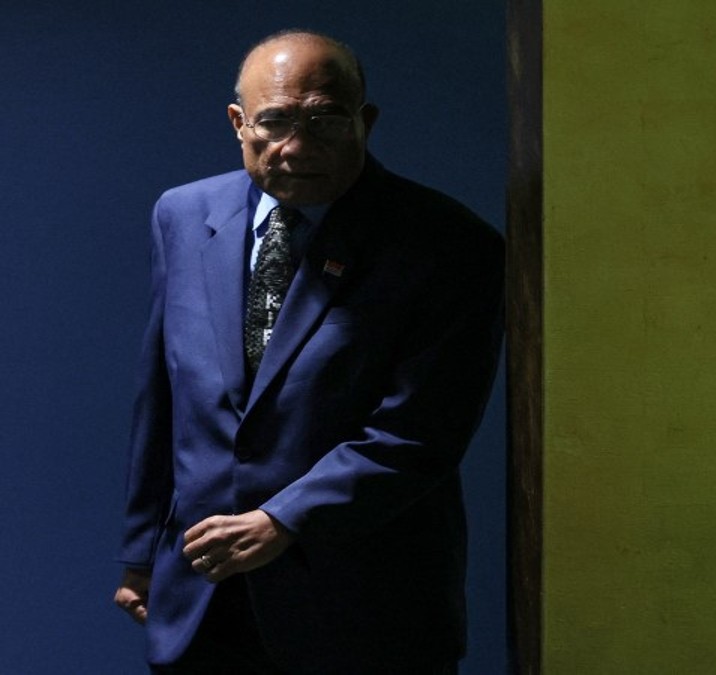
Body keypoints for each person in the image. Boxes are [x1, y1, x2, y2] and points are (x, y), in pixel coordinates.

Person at [112, 29, 504, 673]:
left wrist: (285, 519)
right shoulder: (182, 216)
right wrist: (140, 551)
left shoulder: (448, 244)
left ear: (364, 121)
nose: (297, 148)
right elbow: (163, 394)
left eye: (325, 120)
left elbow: (421, 430)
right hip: (202, 595)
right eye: (275, 122)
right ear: (240, 123)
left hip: (363, 603)